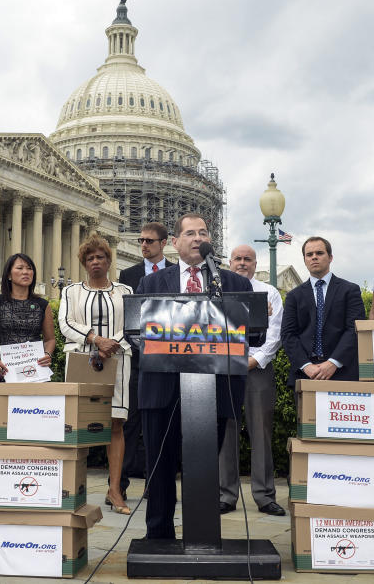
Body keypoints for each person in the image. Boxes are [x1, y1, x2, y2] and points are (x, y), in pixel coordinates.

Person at [136, 213, 252, 540]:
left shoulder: (235, 283)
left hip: (213, 390)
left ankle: (201, 535)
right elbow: (138, 332)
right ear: (174, 243)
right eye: (190, 233)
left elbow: (253, 334)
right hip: (163, 389)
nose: (197, 238)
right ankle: (158, 535)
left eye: (203, 232)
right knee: (160, 467)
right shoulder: (152, 283)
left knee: (202, 467)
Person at [59, 234, 133, 515]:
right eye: (90, 258)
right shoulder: (71, 292)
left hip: (118, 360)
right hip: (81, 360)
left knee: (116, 423)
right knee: (77, 427)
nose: (95, 262)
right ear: (84, 263)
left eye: (100, 257)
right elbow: (66, 323)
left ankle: (115, 491)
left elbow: (132, 323)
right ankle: (71, 491)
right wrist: (96, 340)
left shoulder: (125, 291)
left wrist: (110, 345)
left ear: (108, 260)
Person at [218, 244, 285, 516]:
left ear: (255, 264)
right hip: (224, 369)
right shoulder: (218, 293)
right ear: (229, 262)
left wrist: (254, 360)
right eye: (237, 259)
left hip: (258, 370)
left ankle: (264, 496)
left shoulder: (268, 292)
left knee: (261, 433)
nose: (242, 263)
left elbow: (276, 332)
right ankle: (225, 495)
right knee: (225, 433)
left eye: (248, 259)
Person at [116, 222, 173, 500]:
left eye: (149, 241)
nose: (144, 245)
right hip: (138, 359)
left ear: (164, 243)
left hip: (170, 359)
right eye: (141, 240)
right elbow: (129, 317)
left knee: (161, 424)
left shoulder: (176, 272)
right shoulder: (128, 274)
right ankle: (120, 486)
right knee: (131, 423)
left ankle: (156, 483)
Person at [0, 253, 56, 444]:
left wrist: (48, 354)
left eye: (29, 268)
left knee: (36, 426)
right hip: (6, 372)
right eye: (20, 268)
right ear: (8, 274)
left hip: (36, 373)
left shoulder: (42, 305)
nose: (25, 272)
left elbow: (50, 339)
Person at [281, 236, 365, 387]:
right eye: (309, 254)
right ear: (305, 260)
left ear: (330, 257)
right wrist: (306, 366)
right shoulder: (294, 296)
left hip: (342, 373)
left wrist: (333, 363)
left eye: (319, 253)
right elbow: (288, 334)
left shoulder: (349, 290)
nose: (314, 257)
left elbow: (354, 329)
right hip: (305, 375)